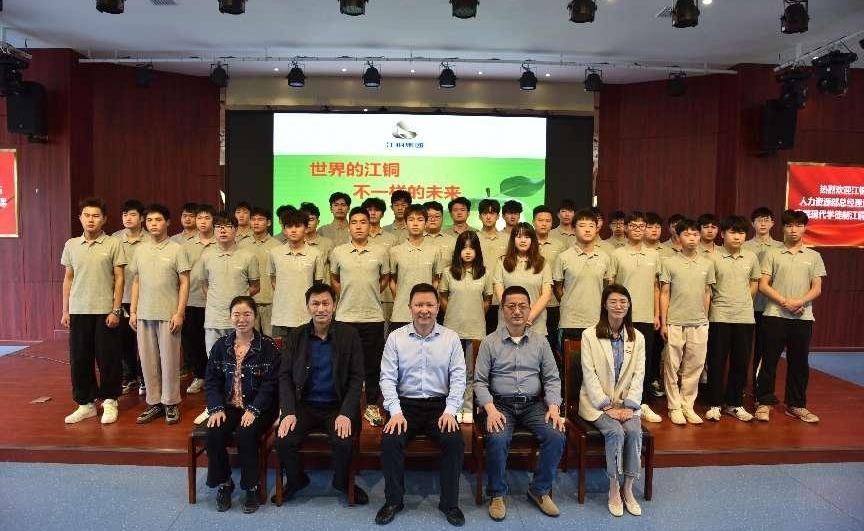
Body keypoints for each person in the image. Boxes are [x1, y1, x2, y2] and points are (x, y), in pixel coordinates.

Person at [376, 283, 466, 527]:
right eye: (418, 305)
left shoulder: (450, 338)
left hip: (440, 407)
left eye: (429, 304)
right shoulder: (395, 338)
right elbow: (387, 378)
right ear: (410, 307)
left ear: (438, 307)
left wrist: (450, 411)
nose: (424, 310)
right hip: (405, 406)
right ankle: (393, 501)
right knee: (390, 441)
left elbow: (459, 378)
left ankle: (450, 503)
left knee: (454, 441)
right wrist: (395, 412)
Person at [474, 285, 566, 521]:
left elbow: (552, 378)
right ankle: (497, 494)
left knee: (556, 435)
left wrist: (553, 406)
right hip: (500, 405)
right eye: (511, 306)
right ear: (502, 310)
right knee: (497, 437)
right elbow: (479, 382)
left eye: (522, 306)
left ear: (529, 309)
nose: (517, 311)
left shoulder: (541, 342)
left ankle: (539, 490)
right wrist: (490, 409)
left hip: (533, 405)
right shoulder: (489, 342)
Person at [274, 284, 368, 505]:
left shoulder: (350, 335)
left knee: (343, 441)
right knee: (283, 440)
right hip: (304, 405)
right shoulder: (296, 336)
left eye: (326, 303)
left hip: (337, 405)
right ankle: (297, 481)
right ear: (308, 307)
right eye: (315, 303)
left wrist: (346, 413)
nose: (321, 308)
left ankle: (342, 482)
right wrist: (288, 411)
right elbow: (284, 376)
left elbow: (357, 378)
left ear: (334, 306)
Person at [204, 296, 280, 514]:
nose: (241, 319)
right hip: (230, 406)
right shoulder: (221, 346)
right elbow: (212, 380)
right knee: (213, 431)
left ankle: (251, 487)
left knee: (246, 434)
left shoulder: (267, 347)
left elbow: (271, 384)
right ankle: (224, 483)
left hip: (260, 407)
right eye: (236, 314)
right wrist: (216, 407)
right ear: (230, 317)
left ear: (255, 316)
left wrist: (254, 410)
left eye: (247, 314)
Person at [579, 284, 645, 517]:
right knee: (616, 432)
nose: (618, 306)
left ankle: (628, 488)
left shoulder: (638, 337)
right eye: (613, 301)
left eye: (623, 302)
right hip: (597, 404)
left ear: (629, 305)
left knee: (634, 432)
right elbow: (589, 374)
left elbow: (639, 374)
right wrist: (606, 405)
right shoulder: (589, 335)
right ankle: (614, 488)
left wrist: (629, 405)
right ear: (604, 305)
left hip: (626, 405)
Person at [755, 209, 826, 423]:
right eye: (789, 226)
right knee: (769, 361)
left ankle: (796, 405)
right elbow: (763, 284)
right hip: (775, 315)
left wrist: (799, 301)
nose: (794, 230)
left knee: (799, 364)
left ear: (804, 228)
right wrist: (786, 302)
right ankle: (763, 402)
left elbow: (817, 287)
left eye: (798, 226)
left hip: (803, 318)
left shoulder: (813, 256)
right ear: (783, 228)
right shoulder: (772, 254)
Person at [60, 197, 126, 424]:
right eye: (86, 215)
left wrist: (116, 310)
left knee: (108, 358)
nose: (91, 220)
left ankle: (110, 400)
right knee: (79, 358)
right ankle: (85, 403)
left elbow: (120, 279)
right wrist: (66, 310)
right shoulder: (71, 245)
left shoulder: (113, 243)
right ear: (80, 218)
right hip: (79, 310)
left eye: (96, 216)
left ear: (104, 219)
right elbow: (68, 279)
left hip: (105, 310)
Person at [129, 204, 191, 425]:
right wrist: (133, 311)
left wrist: (179, 313)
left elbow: (184, 282)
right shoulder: (140, 250)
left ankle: (171, 402)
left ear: (167, 222)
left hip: (168, 314)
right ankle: (154, 402)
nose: (153, 224)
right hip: (144, 313)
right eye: (149, 220)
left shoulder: (177, 249)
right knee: (148, 361)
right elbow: (136, 281)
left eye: (158, 220)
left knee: (170, 361)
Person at [330, 206, 390, 427]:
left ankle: (372, 404)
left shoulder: (381, 251)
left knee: (372, 365)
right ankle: (345, 405)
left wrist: (369, 292)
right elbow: (334, 279)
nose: (358, 226)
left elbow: (385, 279)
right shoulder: (338, 252)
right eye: (354, 222)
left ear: (369, 225)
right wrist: (347, 294)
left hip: (372, 317)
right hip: (345, 316)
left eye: (363, 222)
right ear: (349, 226)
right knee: (343, 364)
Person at [659, 218, 715, 425]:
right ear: (678, 237)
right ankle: (674, 407)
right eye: (687, 234)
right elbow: (664, 293)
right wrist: (664, 322)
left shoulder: (707, 263)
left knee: (695, 366)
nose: (692, 238)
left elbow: (707, 293)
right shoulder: (669, 262)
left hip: (699, 323)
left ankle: (687, 405)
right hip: (675, 321)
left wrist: (705, 319)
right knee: (672, 366)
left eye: (695, 234)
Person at [705, 216, 760, 422]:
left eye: (741, 233)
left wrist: (743, 300)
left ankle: (735, 403)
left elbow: (754, 283)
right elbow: (708, 288)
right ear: (723, 234)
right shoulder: (712, 257)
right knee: (716, 361)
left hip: (745, 317)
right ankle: (714, 403)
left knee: (741, 362)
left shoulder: (751, 257)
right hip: (719, 315)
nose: (737, 237)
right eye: (732, 232)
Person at [609, 211, 662, 423]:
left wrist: (657, 314)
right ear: (626, 228)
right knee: (621, 360)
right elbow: (611, 286)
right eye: (634, 225)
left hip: (647, 316)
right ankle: (618, 401)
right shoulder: (617, 254)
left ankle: (643, 403)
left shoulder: (654, 255)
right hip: (622, 316)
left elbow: (657, 288)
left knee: (644, 362)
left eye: (642, 226)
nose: (638, 230)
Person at [439, 230, 492, 424]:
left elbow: (487, 301)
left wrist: (474, 316)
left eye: (471, 248)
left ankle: (468, 408)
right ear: (458, 251)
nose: (468, 252)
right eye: (464, 248)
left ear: (477, 250)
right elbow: (443, 298)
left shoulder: (485, 273)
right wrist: (455, 314)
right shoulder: (448, 272)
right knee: (453, 371)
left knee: (471, 372)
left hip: (476, 329)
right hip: (452, 329)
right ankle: (453, 407)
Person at [554, 209, 613, 346]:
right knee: (570, 359)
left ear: (596, 229)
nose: (587, 230)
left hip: (597, 320)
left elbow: (607, 287)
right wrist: (569, 302)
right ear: (574, 229)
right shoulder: (563, 257)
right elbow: (557, 288)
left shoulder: (604, 257)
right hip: (570, 321)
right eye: (582, 226)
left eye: (591, 226)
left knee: (597, 359)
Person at [269, 208, 326, 345]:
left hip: (306, 317)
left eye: (298, 226)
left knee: (306, 355)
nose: (293, 230)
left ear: (306, 228)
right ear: (284, 229)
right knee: (281, 355)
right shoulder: (274, 253)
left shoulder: (315, 254)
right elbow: (273, 280)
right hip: (281, 317)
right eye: (289, 226)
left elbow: (317, 284)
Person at [742, 206, 783, 396]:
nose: (763, 223)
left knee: (765, 350)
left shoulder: (780, 248)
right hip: (746, 306)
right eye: (759, 220)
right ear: (753, 224)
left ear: (773, 223)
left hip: (770, 307)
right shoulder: (743, 246)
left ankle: (759, 388)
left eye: (767, 220)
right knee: (742, 349)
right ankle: (739, 386)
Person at [111, 198, 149, 395]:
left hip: (146, 299)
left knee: (144, 342)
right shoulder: (114, 239)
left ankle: (145, 377)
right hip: (122, 297)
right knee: (123, 341)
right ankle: (129, 376)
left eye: (133, 214)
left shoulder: (150, 239)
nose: (128, 218)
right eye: (125, 214)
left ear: (142, 218)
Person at [493, 222, 552, 336]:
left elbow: (546, 295)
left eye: (527, 237)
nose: (523, 240)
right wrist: (514, 315)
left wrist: (527, 318)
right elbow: (500, 293)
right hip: (507, 324)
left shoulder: (543, 263)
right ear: (513, 240)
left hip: (535, 325)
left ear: (533, 240)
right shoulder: (502, 262)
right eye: (519, 237)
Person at [388, 204, 440, 333]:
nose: (415, 223)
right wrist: (400, 297)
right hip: (401, 313)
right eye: (411, 219)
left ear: (426, 223)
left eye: (420, 219)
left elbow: (436, 280)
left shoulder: (434, 250)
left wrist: (428, 300)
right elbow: (392, 280)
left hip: (426, 313)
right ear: (405, 223)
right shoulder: (395, 251)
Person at [182, 204, 216, 395]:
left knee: (215, 343)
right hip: (192, 299)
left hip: (216, 302)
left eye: (207, 218)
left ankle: (216, 377)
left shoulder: (221, 241)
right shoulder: (186, 245)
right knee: (194, 341)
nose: (202, 222)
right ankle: (200, 375)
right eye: (200, 218)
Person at [533, 205, 566, 356]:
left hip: (552, 302)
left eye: (547, 221)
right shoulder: (527, 242)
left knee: (550, 343)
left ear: (552, 223)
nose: (544, 224)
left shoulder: (559, 245)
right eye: (540, 220)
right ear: (533, 222)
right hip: (532, 301)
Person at [247, 207, 281, 336]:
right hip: (249, 301)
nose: (256, 222)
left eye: (260, 219)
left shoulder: (277, 246)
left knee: (271, 340)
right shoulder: (242, 245)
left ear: (268, 223)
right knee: (249, 340)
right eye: (253, 219)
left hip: (271, 301)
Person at [476, 198, 507, 334]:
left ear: (498, 216)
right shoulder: (473, 238)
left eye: (492, 213)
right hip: (478, 297)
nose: (488, 217)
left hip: (501, 298)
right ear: (479, 216)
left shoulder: (508, 239)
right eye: (485, 213)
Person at [300, 202, 334, 277]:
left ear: (318, 222)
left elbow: (334, 270)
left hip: (322, 284)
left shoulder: (327, 243)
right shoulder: (295, 243)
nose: (307, 223)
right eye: (304, 219)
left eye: (311, 219)